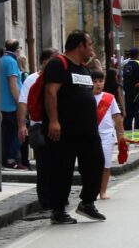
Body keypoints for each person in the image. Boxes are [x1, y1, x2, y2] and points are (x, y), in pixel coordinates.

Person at [43, 31, 105, 224]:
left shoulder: (84, 68)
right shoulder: (58, 64)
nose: (92, 48)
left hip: (88, 130)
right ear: (80, 46)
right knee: (62, 170)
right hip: (64, 130)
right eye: (90, 45)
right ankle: (58, 210)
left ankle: (87, 202)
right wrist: (54, 121)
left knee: (96, 163)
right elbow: (50, 92)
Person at [18, 48, 56, 208]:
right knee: (43, 165)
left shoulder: (60, 79)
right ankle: (46, 201)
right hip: (38, 126)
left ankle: (59, 197)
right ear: (43, 63)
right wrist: (21, 125)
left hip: (58, 126)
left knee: (59, 164)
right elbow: (22, 102)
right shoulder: (32, 79)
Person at [92, 70, 124, 200]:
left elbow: (116, 117)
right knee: (92, 165)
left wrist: (121, 135)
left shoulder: (109, 98)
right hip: (91, 136)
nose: (98, 84)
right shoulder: (85, 96)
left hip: (107, 136)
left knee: (105, 164)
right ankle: (92, 190)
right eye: (94, 82)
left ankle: (103, 191)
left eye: (101, 81)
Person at [0, 40, 22, 169]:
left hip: (3, 103)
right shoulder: (12, 62)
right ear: (17, 49)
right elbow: (13, 84)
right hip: (12, 104)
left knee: (6, 132)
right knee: (14, 132)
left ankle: (5, 158)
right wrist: (19, 102)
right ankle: (11, 159)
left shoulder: (1, 60)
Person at [121, 47, 139, 131]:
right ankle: (137, 139)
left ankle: (128, 138)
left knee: (128, 115)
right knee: (138, 115)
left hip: (128, 94)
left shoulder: (125, 64)